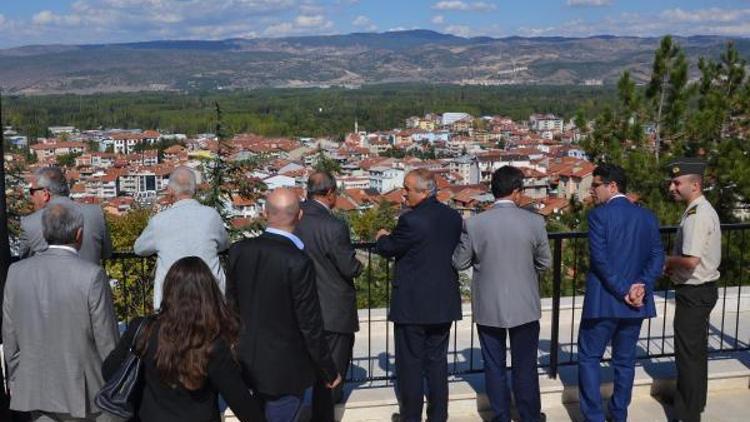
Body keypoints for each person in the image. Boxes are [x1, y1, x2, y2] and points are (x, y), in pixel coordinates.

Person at [226, 188, 341, 422]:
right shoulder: (297, 261)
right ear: (299, 217)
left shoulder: (239, 251)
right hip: (286, 370)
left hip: (247, 361)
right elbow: (309, 323)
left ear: (264, 213)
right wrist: (328, 369)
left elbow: (231, 306)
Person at [102, 256, 264, 422]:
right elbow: (241, 403)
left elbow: (109, 371)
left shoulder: (142, 329)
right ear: (208, 296)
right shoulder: (212, 344)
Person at [3, 202, 119, 421]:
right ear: (79, 234)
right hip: (83, 391)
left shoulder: (16, 272)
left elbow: (10, 337)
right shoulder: (91, 275)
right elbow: (106, 341)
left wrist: (17, 379)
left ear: (45, 233)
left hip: (35, 386)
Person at [453, 166, 551, 422]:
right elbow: (544, 262)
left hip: (488, 305)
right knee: (525, 365)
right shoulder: (535, 221)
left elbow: (460, 262)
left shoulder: (473, 223)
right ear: (516, 192)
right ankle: (529, 415)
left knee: (494, 366)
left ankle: (500, 416)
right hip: (525, 304)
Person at [577, 163, 664, 422]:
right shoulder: (647, 216)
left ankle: (594, 417)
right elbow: (657, 255)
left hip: (604, 301)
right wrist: (641, 286)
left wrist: (625, 289)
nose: (592, 191)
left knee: (589, 358)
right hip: (634, 304)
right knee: (625, 362)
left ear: (612, 186)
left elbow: (600, 260)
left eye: (596, 185)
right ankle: (618, 414)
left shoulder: (598, 216)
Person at [374, 168, 462, 422]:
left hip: (413, 305)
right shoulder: (453, 217)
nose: (403, 194)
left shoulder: (411, 220)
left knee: (410, 366)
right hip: (443, 303)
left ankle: (410, 416)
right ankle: (438, 417)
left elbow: (390, 248)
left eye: (407, 189)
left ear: (424, 192)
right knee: (437, 365)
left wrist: (381, 236)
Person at [294, 172, 363, 422]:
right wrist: (360, 265)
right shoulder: (334, 226)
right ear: (331, 193)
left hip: (298, 307)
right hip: (333, 310)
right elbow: (348, 266)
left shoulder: (293, 218)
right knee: (332, 371)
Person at [664, 158, 721, 422]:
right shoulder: (698, 210)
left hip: (695, 293)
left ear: (694, 185)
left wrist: (664, 261)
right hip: (701, 291)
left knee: (687, 355)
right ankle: (693, 402)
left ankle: (687, 414)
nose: (671, 187)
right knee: (695, 353)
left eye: (677, 182)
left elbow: (690, 260)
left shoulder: (697, 215)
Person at [134, 166, 230, 310]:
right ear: (194, 189)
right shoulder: (211, 216)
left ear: (171, 191)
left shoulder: (159, 221)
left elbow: (139, 249)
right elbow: (224, 244)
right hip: (211, 297)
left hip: (173, 299)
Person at [19, 166, 112, 265]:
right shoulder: (96, 213)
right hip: (92, 279)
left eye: (32, 192)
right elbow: (107, 253)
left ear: (45, 194)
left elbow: (24, 262)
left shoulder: (29, 223)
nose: (31, 197)